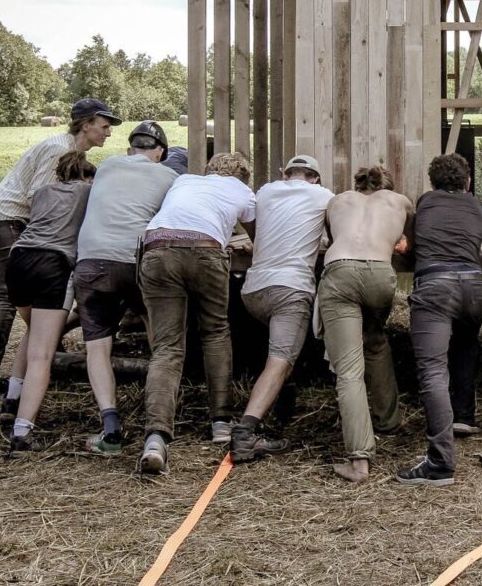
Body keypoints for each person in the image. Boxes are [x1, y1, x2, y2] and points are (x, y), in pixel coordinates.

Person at [0, 98, 120, 392]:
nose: (109, 133)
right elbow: (38, 198)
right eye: (105, 126)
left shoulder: (69, 149)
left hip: (2, 216)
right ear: (86, 125)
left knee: (4, 294)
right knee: (9, 296)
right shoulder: (60, 149)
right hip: (7, 218)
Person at [137, 152, 257, 475]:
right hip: (205, 251)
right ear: (243, 176)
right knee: (215, 331)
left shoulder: (184, 180)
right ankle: (220, 422)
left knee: (167, 346)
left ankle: (156, 437)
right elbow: (259, 236)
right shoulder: (242, 190)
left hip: (157, 247)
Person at [71, 121, 177, 455]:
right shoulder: (168, 177)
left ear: (130, 148)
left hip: (90, 260)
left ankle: (111, 428)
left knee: (97, 348)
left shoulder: (108, 167)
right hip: (133, 261)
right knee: (157, 334)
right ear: (159, 151)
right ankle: (159, 417)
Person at [395, 154, 482, 486]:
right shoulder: (479, 207)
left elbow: (412, 246)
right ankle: (463, 415)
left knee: (433, 370)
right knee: (467, 345)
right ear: (467, 181)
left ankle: (440, 460)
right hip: (472, 286)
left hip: (436, 285)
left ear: (433, 182)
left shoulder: (424, 203)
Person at [231, 154, 334, 465]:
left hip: (253, 290)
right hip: (290, 288)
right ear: (316, 177)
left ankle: (282, 404)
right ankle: (246, 433)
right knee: (280, 360)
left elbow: (260, 231)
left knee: (279, 354)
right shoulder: (324, 197)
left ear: (285, 173)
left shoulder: (265, 192)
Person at [319, 166, 413, 483]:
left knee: (348, 369)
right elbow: (407, 240)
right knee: (375, 340)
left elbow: (334, 240)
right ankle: (389, 420)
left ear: (358, 186)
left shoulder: (338, 201)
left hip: (341, 272)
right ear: (388, 185)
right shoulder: (400, 202)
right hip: (380, 274)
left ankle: (359, 460)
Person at [4, 152, 96, 453]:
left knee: (34, 332)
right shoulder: (88, 191)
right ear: (87, 176)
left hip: (18, 259)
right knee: (42, 354)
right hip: (52, 262)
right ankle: (22, 431)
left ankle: (11, 399)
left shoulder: (43, 191)